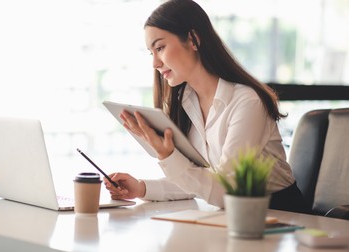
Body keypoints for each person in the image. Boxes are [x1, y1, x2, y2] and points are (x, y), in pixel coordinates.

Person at [104, 0, 312, 214]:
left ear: (193, 39)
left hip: (283, 217)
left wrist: (166, 156)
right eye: (151, 52)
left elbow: (227, 190)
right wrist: (141, 187)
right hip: (237, 217)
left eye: (160, 48)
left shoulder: (247, 102)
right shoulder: (185, 103)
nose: (155, 63)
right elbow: (197, 180)